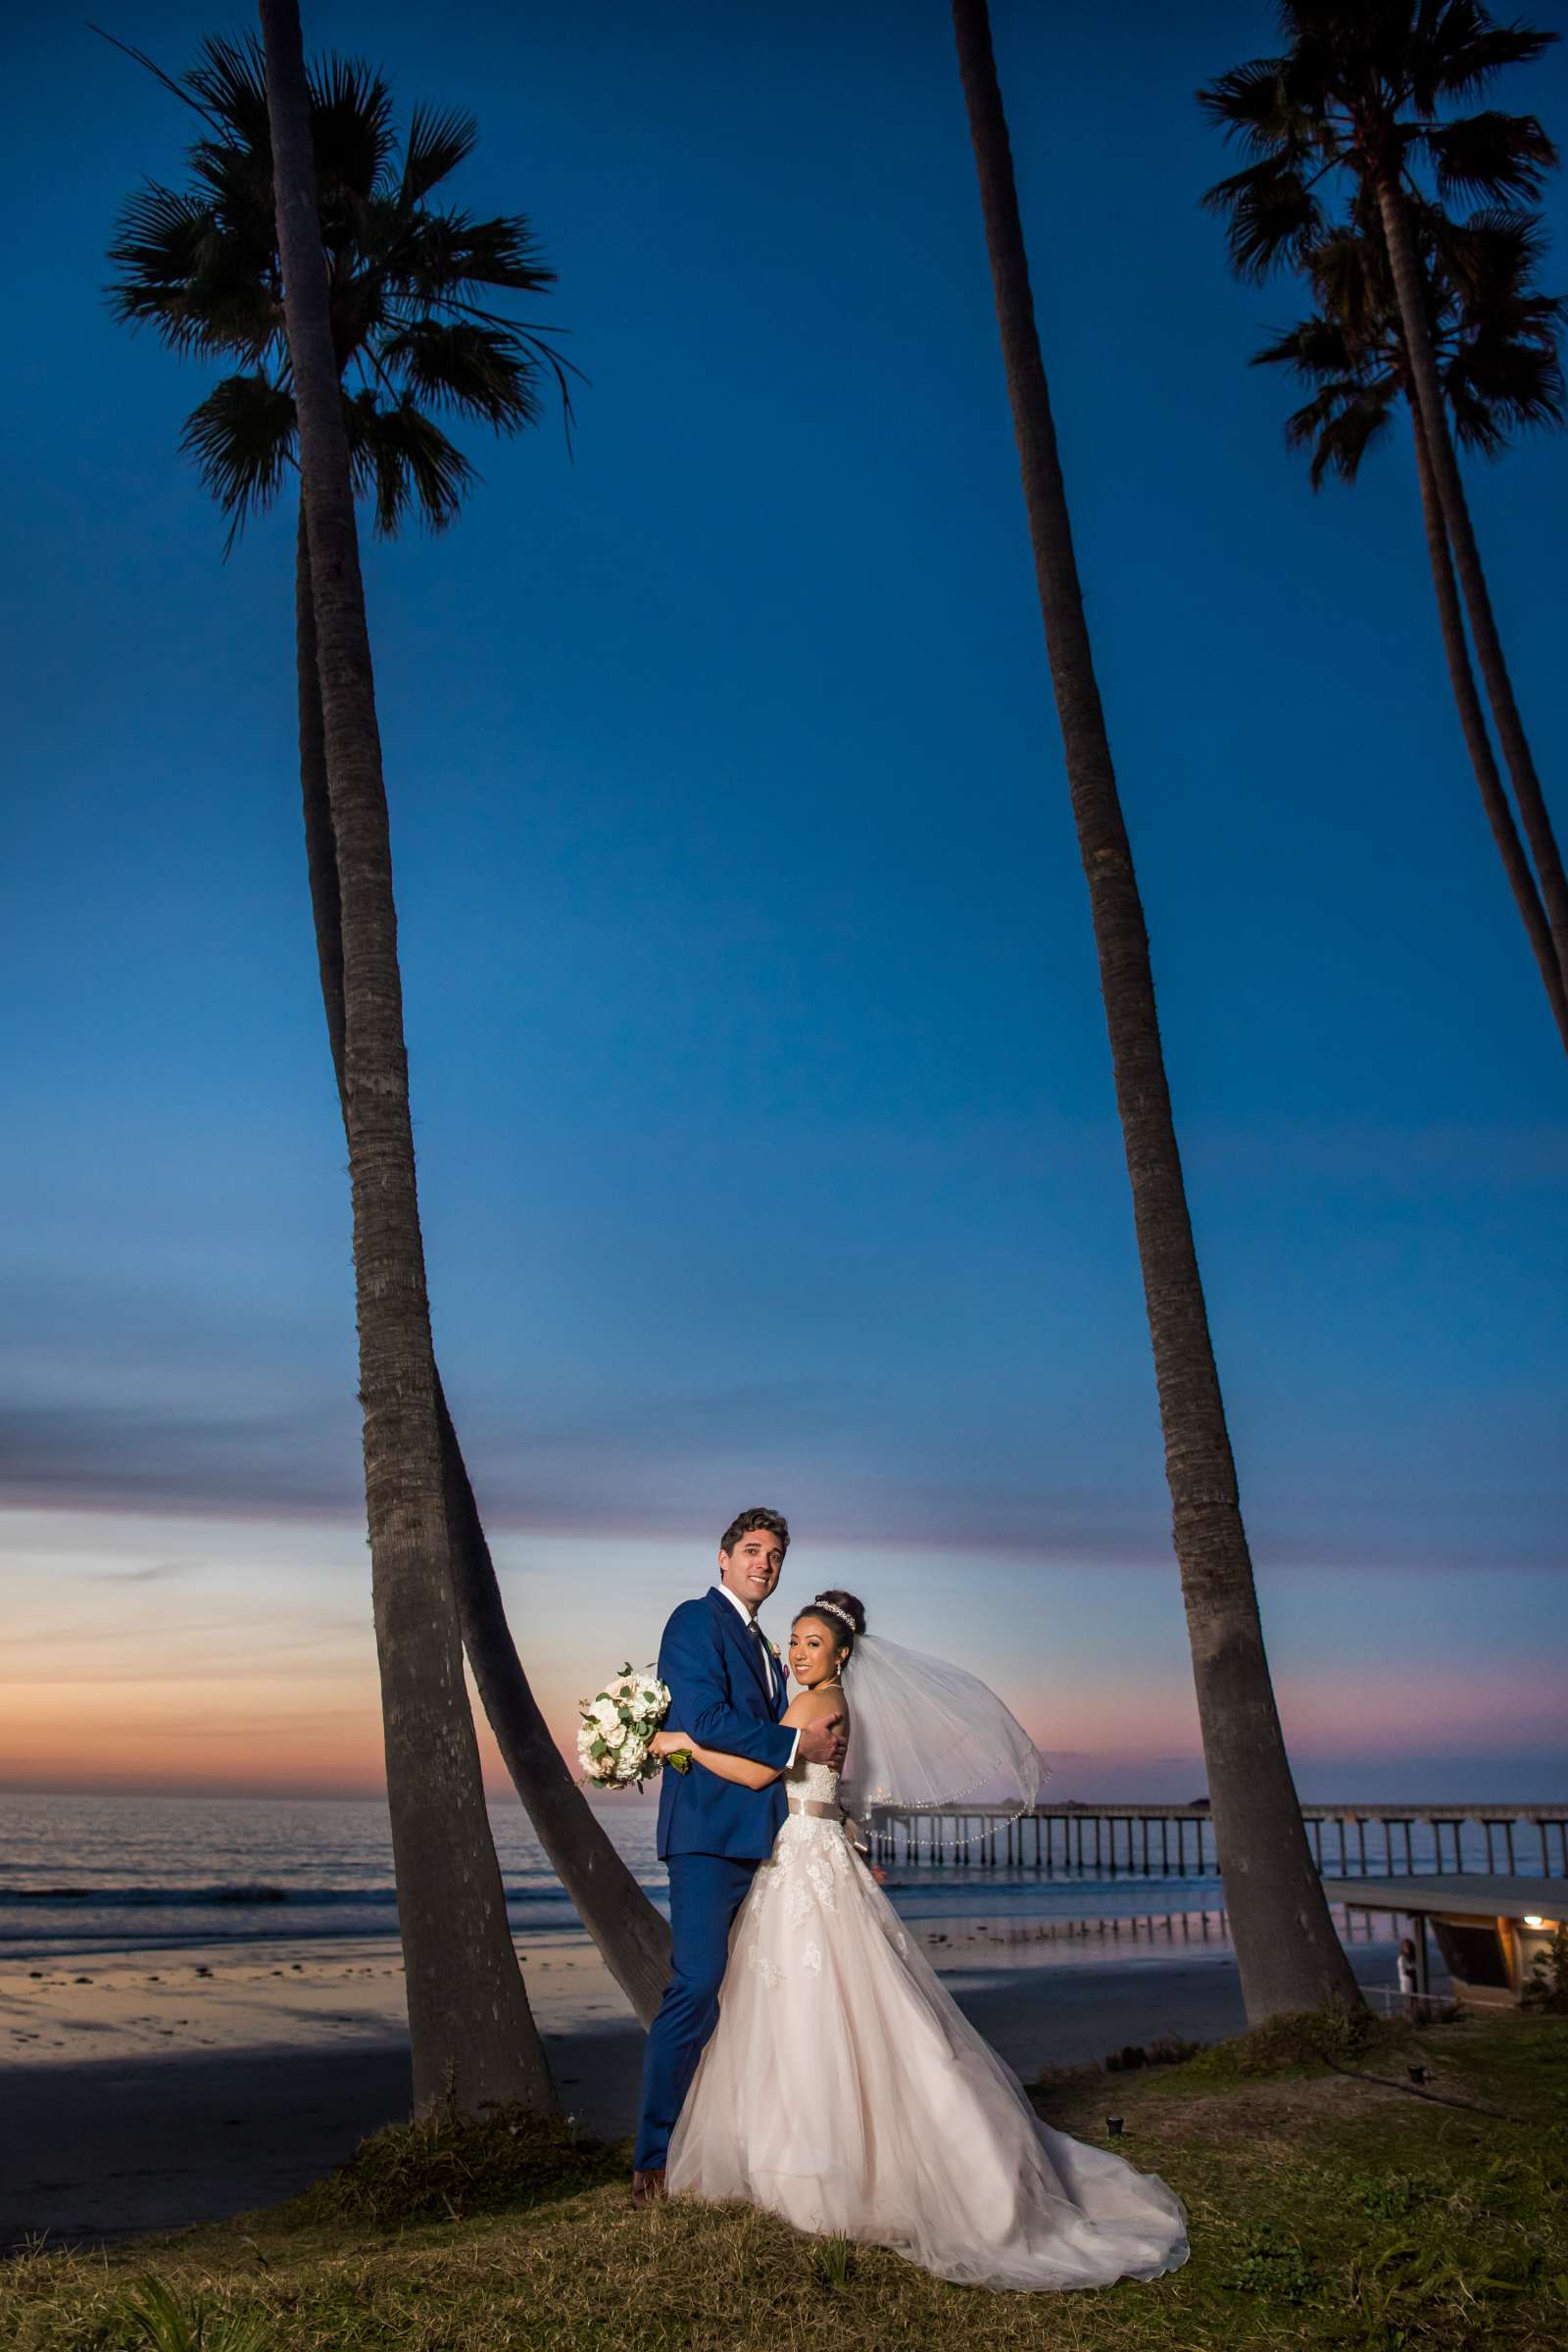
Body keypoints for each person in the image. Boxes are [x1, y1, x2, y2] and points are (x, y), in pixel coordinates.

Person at [648, 1589, 1189, 2292]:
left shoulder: (813, 1706)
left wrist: (681, 1742)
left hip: (803, 1863)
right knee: (828, 2010)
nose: (797, 1652)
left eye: (812, 1642)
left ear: (841, 1653)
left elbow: (756, 1771)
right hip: (812, 1859)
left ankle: (824, 2170)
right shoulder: (833, 1701)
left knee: (808, 2013)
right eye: (794, 1640)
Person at [630, 1508, 847, 2208]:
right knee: (696, 1985)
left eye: (775, 1555)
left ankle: (741, 2143)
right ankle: (653, 2161)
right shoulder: (695, 1621)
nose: (765, 1564)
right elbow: (705, 1721)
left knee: (761, 1992)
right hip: (706, 1836)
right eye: (752, 1551)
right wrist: (793, 1745)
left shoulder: (764, 1646)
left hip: (765, 1840)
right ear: (721, 1559)